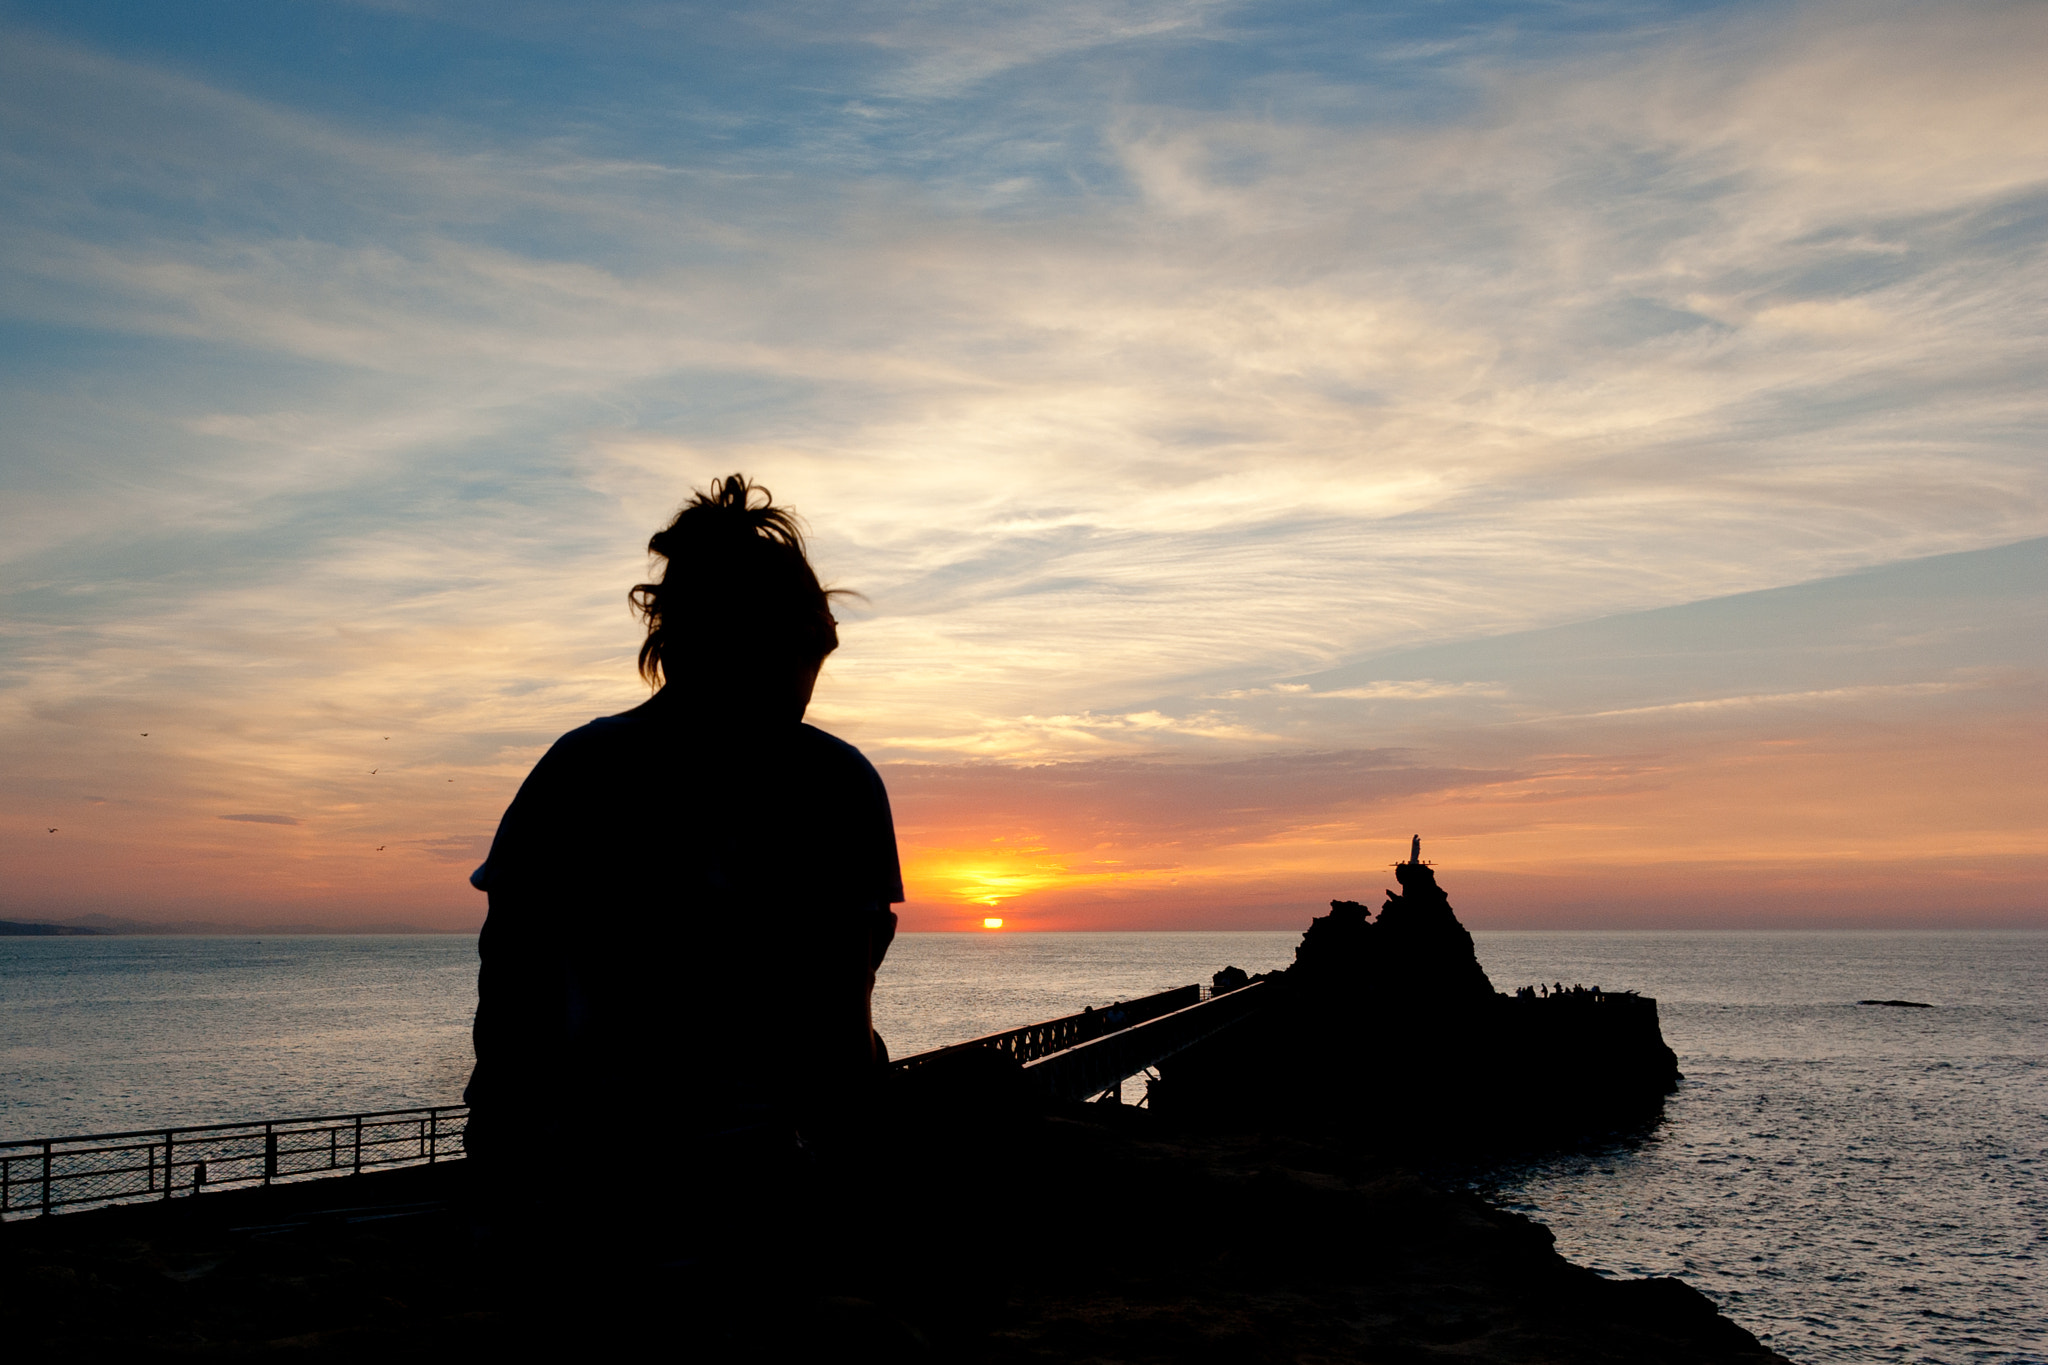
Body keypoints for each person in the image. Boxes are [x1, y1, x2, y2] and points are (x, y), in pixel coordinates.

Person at [461, 475, 903, 1245]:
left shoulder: (573, 772)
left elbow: (508, 1031)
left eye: (817, 654)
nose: (807, 684)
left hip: (585, 1196)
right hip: (746, 1195)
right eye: (795, 652)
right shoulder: (837, 787)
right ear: (720, 641)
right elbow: (839, 1053)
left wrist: (502, 1189)